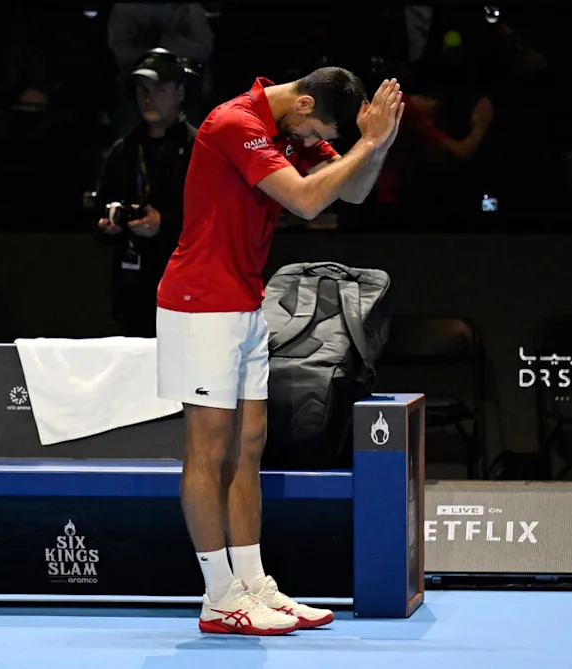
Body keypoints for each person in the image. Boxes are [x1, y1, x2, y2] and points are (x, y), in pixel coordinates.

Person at [155, 67, 404, 635]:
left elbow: (355, 189)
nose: (319, 139)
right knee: (208, 449)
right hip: (200, 304)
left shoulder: (294, 128)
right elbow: (307, 202)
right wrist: (364, 142)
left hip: (244, 300)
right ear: (304, 102)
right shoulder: (233, 123)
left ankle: (250, 582)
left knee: (248, 446)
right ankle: (218, 596)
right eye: (318, 128)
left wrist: (380, 141)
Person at [95, 48, 196, 336]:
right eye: (143, 89)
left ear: (179, 92)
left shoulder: (199, 149)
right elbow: (98, 216)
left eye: (159, 89)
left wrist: (165, 225)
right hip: (134, 285)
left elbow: (216, 219)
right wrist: (107, 226)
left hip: (184, 282)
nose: (149, 98)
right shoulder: (124, 150)